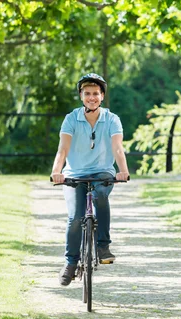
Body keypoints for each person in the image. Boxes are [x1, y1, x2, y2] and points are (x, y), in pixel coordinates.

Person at [51, 73, 130, 286]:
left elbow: (117, 147)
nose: (91, 97)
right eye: (87, 93)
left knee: (101, 197)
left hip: (102, 172)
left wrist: (123, 170)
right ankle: (70, 263)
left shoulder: (112, 119)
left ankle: (103, 245)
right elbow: (63, 148)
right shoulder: (71, 119)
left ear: (102, 96)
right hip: (74, 174)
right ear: (81, 96)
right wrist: (56, 171)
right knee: (75, 217)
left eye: (96, 93)